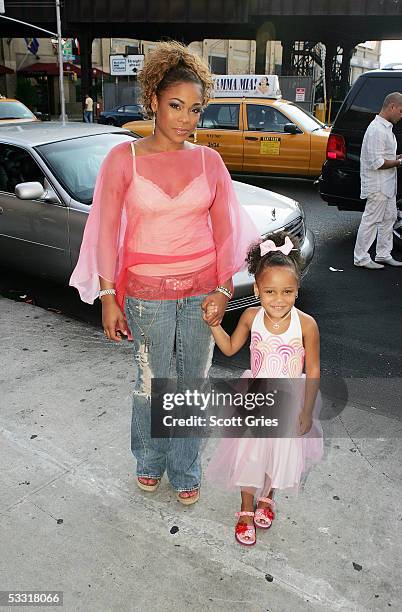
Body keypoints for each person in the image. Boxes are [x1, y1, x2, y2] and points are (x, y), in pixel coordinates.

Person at [69, 41, 259, 505]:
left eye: (195, 110)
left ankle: (185, 465)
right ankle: (150, 460)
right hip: (145, 294)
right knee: (153, 381)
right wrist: (109, 296)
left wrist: (222, 287)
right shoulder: (123, 160)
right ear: (153, 99)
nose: (186, 119)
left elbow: (225, 234)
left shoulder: (209, 162)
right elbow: (105, 232)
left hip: (201, 291)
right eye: (176, 106)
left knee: (192, 382)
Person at [205, 232, 323, 545]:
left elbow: (312, 370)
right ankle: (245, 509)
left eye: (287, 291)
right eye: (270, 291)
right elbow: (230, 349)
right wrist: (215, 326)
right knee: (251, 454)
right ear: (257, 289)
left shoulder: (307, 324)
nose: (278, 299)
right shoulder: (250, 316)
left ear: (297, 290)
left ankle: (267, 496)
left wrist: (307, 410)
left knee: (277, 454)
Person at [354, 91, 402, 269]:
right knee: (371, 220)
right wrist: (398, 162)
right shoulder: (376, 130)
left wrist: (397, 157)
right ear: (392, 107)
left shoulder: (385, 128)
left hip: (388, 185)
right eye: (401, 111)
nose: (401, 115)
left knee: (389, 218)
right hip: (378, 186)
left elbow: (384, 156)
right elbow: (377, 162)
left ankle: (383, 254)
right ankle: (361, 258)